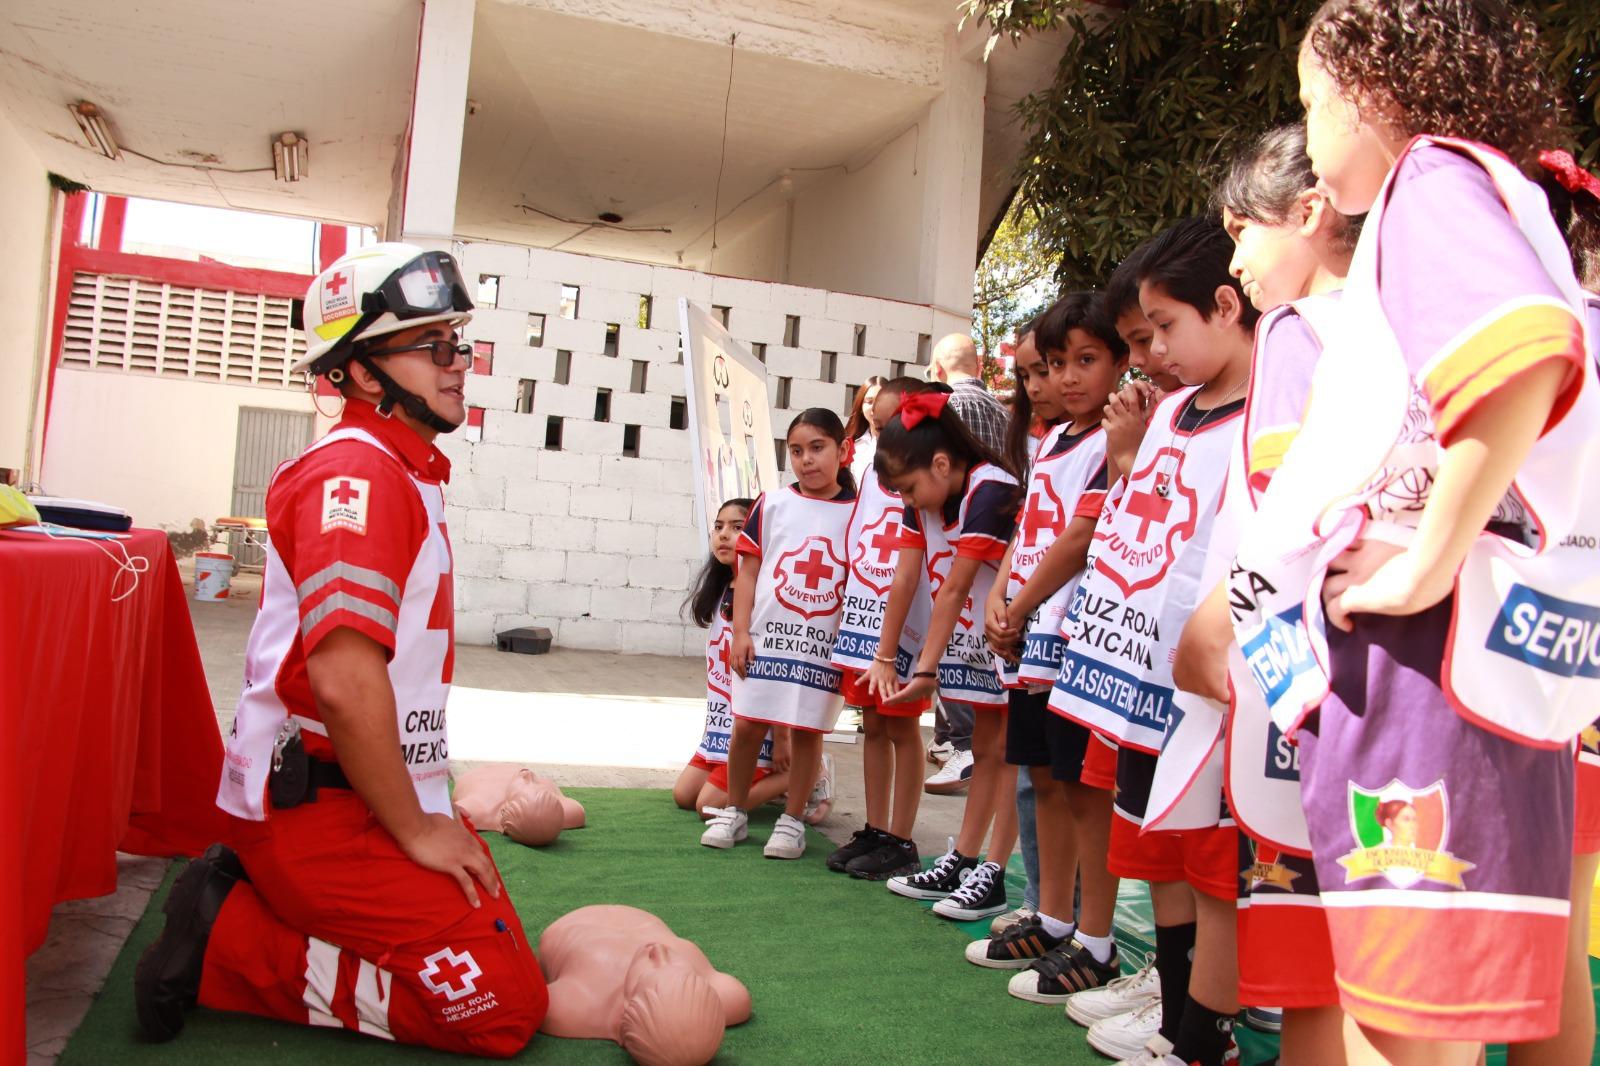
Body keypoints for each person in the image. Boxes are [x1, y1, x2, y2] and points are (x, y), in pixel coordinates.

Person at [1230, 4, 1597, 1060]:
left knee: (1406, 1024)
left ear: (1370, 93)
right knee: (1453, 1010)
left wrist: (1425, 557)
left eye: (1311, 103)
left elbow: (1522, 354)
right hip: (1470, 678)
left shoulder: (1430, 180)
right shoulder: (1479, 190)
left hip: (1421, 685)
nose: (1308, 127)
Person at [134, 243, 548, 1055]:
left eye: (456, 342)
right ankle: (225, 942)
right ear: (363, 373)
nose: (457, 363)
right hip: (322, 809)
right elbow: (344, 681)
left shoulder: (399, 468)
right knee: (501, 1012)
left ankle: (261, 896)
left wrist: (425, 811)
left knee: (496, 940)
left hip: (361, 794)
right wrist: (418, 830)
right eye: (433, 346)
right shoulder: (356, 478)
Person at [1170, 122, 1358, 1066]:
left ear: (1312, 215)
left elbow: (1286, 520)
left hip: (1307, 693)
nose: (1236, 259)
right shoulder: (1407, 322)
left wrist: (1216, 616)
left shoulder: (1300, 333)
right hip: (1396, 684)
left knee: (1316, 961)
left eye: (1242, 230)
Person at [1051, 219, 1259, 1066]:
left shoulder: (1275, 407)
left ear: (1226, 305)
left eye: (1162, 331)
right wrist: (1132, 453)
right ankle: (1177, 1015)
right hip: (1140, 678)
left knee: (1218, 868)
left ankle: (1209, 1031)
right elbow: (1142, 516)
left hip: (1213, 691)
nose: (1151, 354)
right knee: (1160, 848)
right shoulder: (1173, 411)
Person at [972, 293, 1129, 1005]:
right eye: (1055, 364)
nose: (1066, 378)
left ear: (1122, 363)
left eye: (1085, 361)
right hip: (1036, 634)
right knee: (1044, 774)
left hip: (1076, 633)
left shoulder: (1118, 439)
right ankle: (1056, 917)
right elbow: (1033, 526)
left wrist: (1023, 603)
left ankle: (1096, 940)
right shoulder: (1051, 439)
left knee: (1081, 786)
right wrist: (1000, 600)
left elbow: (1082, 536)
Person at [868, 391, 1021, 921]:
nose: (909, 502)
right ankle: (964, 857)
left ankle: (994, 871)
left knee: (1006, 751)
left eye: (910, 489)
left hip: (1007, 636)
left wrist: (925, 670)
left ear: (940, 463)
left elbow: (955, 588)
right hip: (966, 641)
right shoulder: (925, 501)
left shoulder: (991, 487)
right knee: (984, 746)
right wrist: (885, 657)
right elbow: (907, 576)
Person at [701, 409, 857, 859]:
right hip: (767, 639)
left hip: (821, 645)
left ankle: (791, 821)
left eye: (817, 448)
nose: (806, 460)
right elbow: (747, 574)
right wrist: (742, 632)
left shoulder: (857, 511)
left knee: (808, 730)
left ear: (844, 450)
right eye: (795, 451)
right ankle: (734, 811)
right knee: (748, 723)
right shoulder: (771, 504)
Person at [827, 377, 936, 880]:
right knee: (871, 722)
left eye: (894, 416)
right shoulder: (869, 466)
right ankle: (876, 827)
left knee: (900, 725)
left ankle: (902, 836)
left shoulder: (927, 475)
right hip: (865, 611)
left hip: (906, 622)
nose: (881, 422)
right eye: (877, 415)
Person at [673, 498, 793, 820]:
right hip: (721, 726)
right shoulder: (723, 587)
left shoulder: (764, 593)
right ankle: (770, 785)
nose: (724, 535)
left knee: (707, 807)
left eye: (737, 528)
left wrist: (782, 737)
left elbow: (776, 666)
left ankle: (801, 779)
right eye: (719, 527)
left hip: (757, 729)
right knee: (684, 795)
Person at [925, 333, 1010, 778]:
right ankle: (960, 745)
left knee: (961, 644)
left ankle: (961, 748)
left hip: (967, 540)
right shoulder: (1002, 411)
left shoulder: (947, 407)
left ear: (938, 369)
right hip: (1005, 544)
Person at [842, 375, 888, 484]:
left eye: (880, 400)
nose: (874, 407)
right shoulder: (851, 444)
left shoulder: (904, 444)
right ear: (861, 406)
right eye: (869, 401)